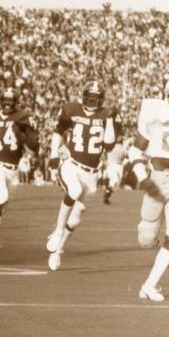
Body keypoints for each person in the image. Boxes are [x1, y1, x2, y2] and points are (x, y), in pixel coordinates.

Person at [45, 81, 116, 270]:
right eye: (89, 97)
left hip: (91, 173)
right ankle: (58, 231)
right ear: (83, 95)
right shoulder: (71, 109)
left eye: (96, 98)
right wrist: (53, 154)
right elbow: (59, 130)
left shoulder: (106, 114)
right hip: (72, 165)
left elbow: (109, 145)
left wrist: (109, 119)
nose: (92, 101)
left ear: (101, 99)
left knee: (76, 218)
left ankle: (58, 250)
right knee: (74, 190)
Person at [130, 77, 169, 301]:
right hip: (157, 179)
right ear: (165, 96)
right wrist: (142, 177)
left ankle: (149, 285)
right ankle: (152, 237)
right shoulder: (154, 113)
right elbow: (134, 151)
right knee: (146, 240)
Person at [0, 87, 39, 254]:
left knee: (3, 203)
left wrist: (25, 132)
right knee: (2, 197)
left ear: (16, 103)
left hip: (13, 169)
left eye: (10, 102)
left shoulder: (22, 117)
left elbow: (35, 145)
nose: (6, 105)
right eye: (4, 101)